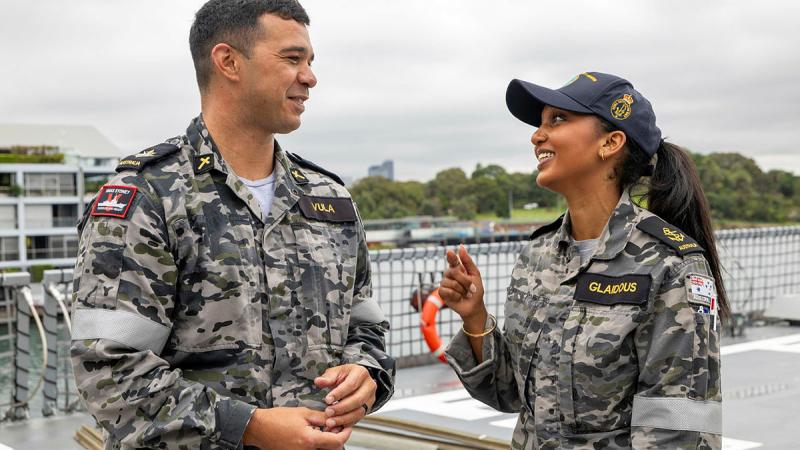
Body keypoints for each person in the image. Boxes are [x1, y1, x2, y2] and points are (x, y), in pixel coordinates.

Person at [69, 1, 395, 449]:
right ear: (228, 62)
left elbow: (366, 326)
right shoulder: (147, 197)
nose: (310, 77)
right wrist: (247, 426)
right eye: (292, 58)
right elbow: (107, 372)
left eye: (310, 61)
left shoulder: (328, 199)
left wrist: (367, 375)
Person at [439, 72, 725, 449]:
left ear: (610, 143)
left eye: (557, 120)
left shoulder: (671, 266)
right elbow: (509, 395)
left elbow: (679, 424)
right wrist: (474, 316)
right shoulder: (537, 255)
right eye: (540, 123)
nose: (537, 135)